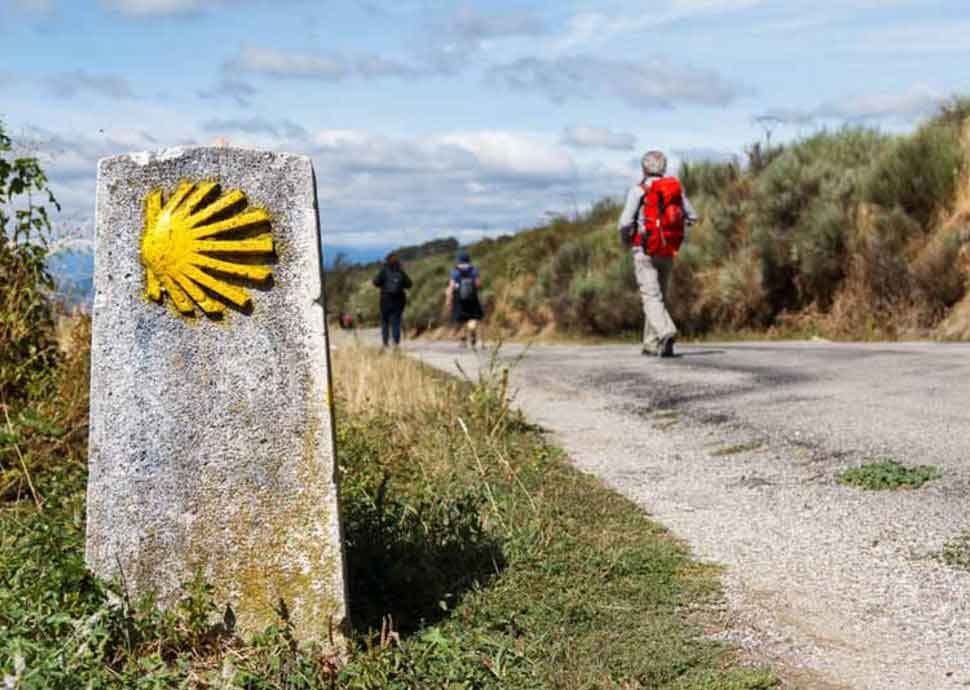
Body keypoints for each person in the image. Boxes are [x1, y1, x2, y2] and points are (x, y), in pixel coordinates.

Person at [617, 150, 698, 358]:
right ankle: (650, 344)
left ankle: (665, 332)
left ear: (644, 168)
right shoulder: (675, 190)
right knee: (658, 298)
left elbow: (625, 222)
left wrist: (627, 238)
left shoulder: (639, 190)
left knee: (651, 297)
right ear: (664, 167)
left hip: (644, 251)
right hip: (668, 250)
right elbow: (692, 216)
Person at [372, 252, 412, 348]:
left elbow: (375, 282)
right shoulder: (400, 271)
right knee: (396, 322)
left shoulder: (384, 270)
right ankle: (396, 343)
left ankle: (385, 343)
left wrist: (383, 285)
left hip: (385, 300)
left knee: (385, 322)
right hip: (398, 301)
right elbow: (409, 284)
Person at [446, 249, 484, 348]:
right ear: (468, 259)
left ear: (458, 260)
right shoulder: (474, 270)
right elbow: (479, 284)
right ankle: (472, 333)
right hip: (472, 297)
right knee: (472, 317)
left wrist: (449, 300)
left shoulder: (455, 272)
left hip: (459, 298)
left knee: (462, 319)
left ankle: (463, 340)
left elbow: (451, 287)